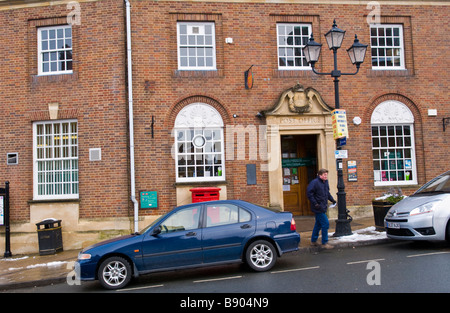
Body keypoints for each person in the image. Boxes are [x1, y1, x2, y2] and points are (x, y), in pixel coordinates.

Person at [306, 168, 336, 249]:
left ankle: (313, 241)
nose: (326, 176)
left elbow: (327, 193)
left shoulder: (325, 182)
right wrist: (315, 203)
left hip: (323, 206)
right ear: (320, 175)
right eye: (324, 175)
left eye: (326, 174)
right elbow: (309, 193)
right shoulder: (314, 183)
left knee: (318, 224)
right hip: (318, 207)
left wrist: (332, 200)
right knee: (325, 224)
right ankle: (324, 242)